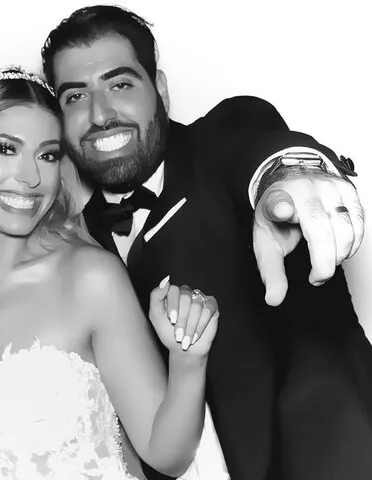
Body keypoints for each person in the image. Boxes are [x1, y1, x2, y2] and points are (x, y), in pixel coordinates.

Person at [41, 6, 372, 480]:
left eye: (121, 85)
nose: (99, 114)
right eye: (76, 96)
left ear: (160, 89)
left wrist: (288, 173)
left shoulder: (216, 145)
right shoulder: (74, 239)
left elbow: (255, 141)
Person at [0, 65, 220, 480]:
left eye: (47, 155)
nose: (31, 178)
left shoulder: (89, 280)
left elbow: (165, 455)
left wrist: (189, 359)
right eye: (5, 149)